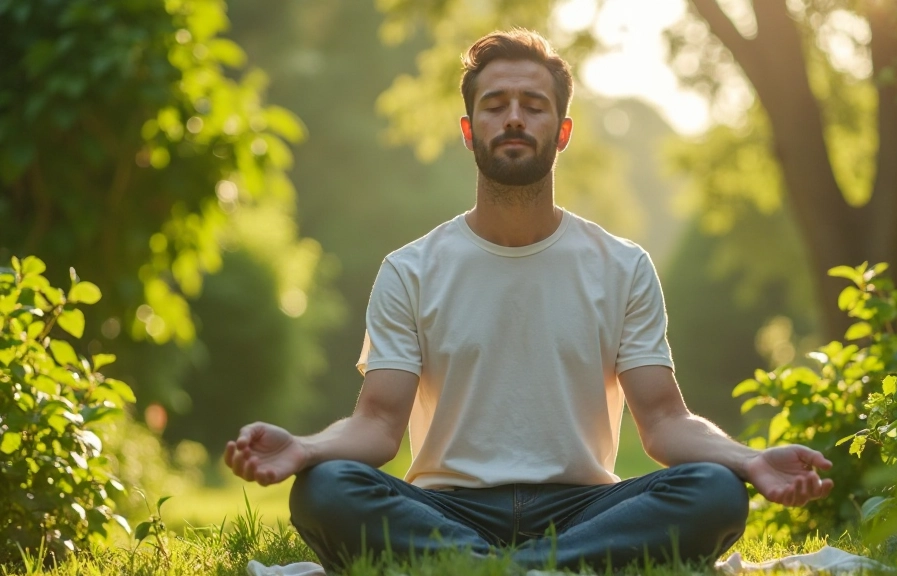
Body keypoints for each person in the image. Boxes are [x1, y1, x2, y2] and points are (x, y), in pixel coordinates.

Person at [224, 28, 834, 572]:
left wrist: (748, 460)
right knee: (325, 488)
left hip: (584, 508)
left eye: (533, 105)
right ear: (469, 130)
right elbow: (379, 423)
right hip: (448, 508)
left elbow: (665, 421)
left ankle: (488, 570)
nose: (513, 118)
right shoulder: (409, 270)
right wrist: (306, 449)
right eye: (495, 105)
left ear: (561, 132)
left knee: (715, 491)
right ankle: (537, 569)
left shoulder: (623, 266)